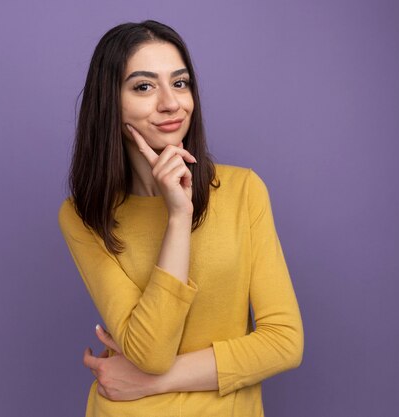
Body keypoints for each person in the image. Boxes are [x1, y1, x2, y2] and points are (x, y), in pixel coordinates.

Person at [58, 20, 303, 417]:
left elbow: (284, 342)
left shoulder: (243, 191)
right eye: (143, 86)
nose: (171, 103)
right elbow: (151, 352)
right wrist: (177, 217)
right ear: (110, 102)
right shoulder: (83, 215)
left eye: (180, 83)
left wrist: (152, 381)